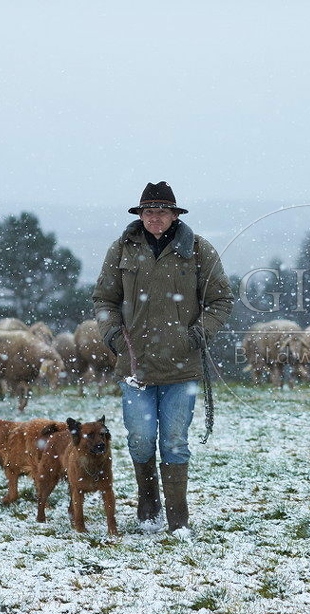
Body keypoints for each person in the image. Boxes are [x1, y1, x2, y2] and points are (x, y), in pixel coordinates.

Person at [92, 181, 233, 536]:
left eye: (162, 211)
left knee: (174, 441)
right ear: (140, 215)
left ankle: (177, 519)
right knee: (140, 438)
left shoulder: (198, 250)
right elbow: (104, 299)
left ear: (175, 215)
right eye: (149, 211)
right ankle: (148, 507)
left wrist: (197, 334)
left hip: (181, 366)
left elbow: (221, 300)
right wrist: (113, 335)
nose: (155, 217)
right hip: (134, 365)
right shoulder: (122, 248)